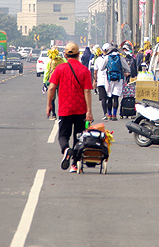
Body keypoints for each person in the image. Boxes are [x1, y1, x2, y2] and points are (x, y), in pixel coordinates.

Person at [47, 42, 94, 174]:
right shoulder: (84, 70)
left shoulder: (60, 69)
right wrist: (89, 111)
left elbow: (51, 87)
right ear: (79, 55)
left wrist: (49, 104)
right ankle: (74, 164)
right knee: (79, 137)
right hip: (81, 109)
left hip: (65, 109)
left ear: (65, 55)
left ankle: (66, 149)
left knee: (63, 135)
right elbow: (87, 92)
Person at [98, 43, 130, 121]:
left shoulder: (107, 57)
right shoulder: (121, 57)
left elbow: (101, 68)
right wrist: (123, 71)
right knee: (116, 98)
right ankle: (114, 115)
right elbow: (127, 69)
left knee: (109, 97)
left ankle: (109, 114)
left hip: (109, 79)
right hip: (119, 79)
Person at [44, 47, 66, 120]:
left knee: (52, 99)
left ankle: (53, 114)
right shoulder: (62, 60)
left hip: (52, 81)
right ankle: (61, 114)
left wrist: (44, 82)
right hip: (61, 81)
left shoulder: (49, 61)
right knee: (61, 98)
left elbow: (46, 72)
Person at [95, 43, 111, 120]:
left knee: (103, 98)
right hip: (110, 80)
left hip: (101, 81)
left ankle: (105, 113)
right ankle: (110, 113)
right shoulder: (111, 58)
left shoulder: (98, 59)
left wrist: (95, 79)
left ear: (102, 50)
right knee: (109, 97)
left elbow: (95, 71)